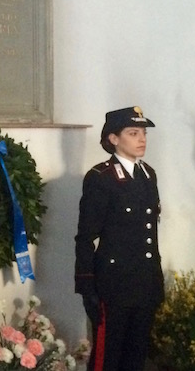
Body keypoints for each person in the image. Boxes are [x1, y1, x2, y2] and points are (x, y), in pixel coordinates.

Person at [74, 106, 164, 371]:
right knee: (107, 358)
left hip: (143, 284)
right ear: (114, 139)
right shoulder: (101, 177)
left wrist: (156, 279)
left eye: (143, 133)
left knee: (136, 357)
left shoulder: (148, 174)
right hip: (113, 286)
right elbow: (85, 237)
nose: (142, 139)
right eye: (133, 133)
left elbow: (150, 235)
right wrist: (86, 286)